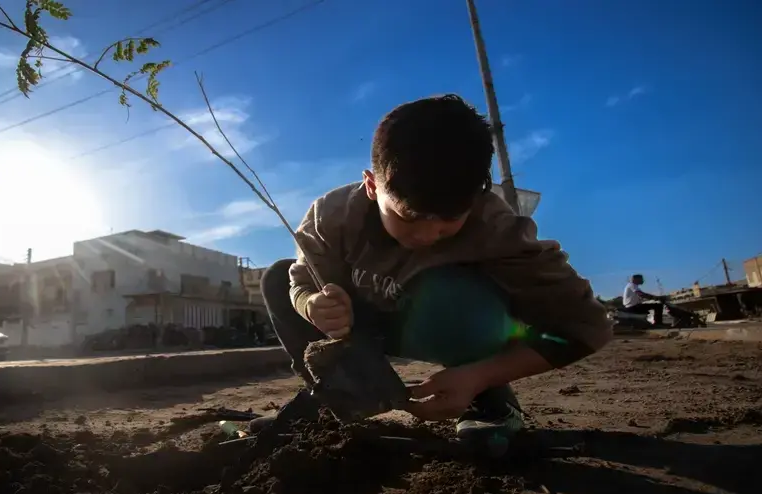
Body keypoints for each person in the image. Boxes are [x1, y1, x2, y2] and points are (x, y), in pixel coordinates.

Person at [253, 94, 613, 445]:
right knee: (276, 277)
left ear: (477, 195)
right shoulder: (332, 216)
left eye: (449, 221)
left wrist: (479, 376)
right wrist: (312, 304)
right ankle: (337, 398)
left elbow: (587, 326)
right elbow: (299, 280)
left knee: (449, 292)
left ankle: (488, 401)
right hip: (369, 325)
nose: (426, 235)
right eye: (407, 217)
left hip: (448, 324)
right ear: (371, 185)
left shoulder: (497, 229)